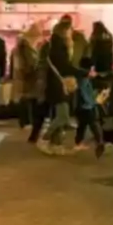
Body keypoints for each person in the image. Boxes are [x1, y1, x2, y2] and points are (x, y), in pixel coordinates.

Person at [42, 21, 82, 155]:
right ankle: (44, 138)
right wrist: (82, 72)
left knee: (59, 115)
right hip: (58, 84)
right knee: (63, 116)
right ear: (64, 31)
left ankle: (56, 144)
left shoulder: (55, 45)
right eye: (70, 30)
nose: (72, 32)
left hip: (57, 84)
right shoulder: (58, 47)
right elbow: (64, 66)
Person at [11, 26, 41, 130]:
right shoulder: (26, 47)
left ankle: (25, 122)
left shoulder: (20, 47)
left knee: (24, 99)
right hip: (27, 77)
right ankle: (26, 121)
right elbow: (30, 63)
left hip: (22, 77)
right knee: (27, 99)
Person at [73, 56, 105, 157]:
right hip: (86, 106)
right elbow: (85, 94)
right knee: (93, 123)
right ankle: (99, 141)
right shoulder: (84, 80)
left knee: (82, 125)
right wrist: (94, 101)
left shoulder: (80, 78)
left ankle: (78, 142)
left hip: (81, 106)